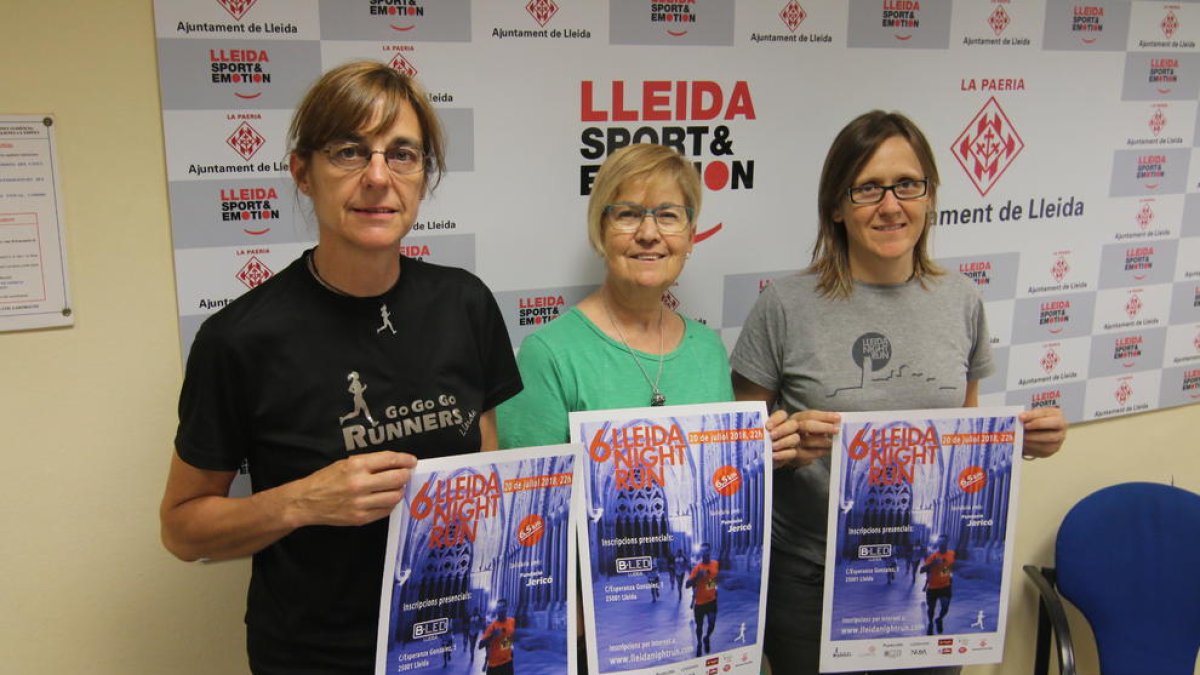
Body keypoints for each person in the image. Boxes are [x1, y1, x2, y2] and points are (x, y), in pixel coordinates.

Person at [159, 61, 523, 674]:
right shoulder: (240, 340)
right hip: (319, 655)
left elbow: (483, 465)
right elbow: (182, 529)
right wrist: (302, 501)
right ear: (303, 171)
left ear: (423, 175)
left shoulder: (465, 303)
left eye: (402, 154)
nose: (378, 177)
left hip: (455, 640)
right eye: (350, 152)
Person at [729, 110, 1068, 675]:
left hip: (926, 568)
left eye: (908, 184)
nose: (891, 205)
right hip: (811, 580)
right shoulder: (784, 306)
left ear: (929, 196)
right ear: (836, 206)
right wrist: (786, 447)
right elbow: (738, 452)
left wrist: (1019, 444)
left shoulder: (961, 299)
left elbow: (964, 434)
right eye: (867, 189)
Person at [496, 143, 800, 673]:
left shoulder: (706, 348)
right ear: (600, 229)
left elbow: (715, 489)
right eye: (629, 213)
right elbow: (531, 521)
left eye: (668, 215)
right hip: (603, 637)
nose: (649, 232)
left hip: (702, 630)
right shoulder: (549, 355)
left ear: (689, 234)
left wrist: (759, 460)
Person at [685, 542, 719, 657]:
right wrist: (698, 577)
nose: (705, 553)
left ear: (710, 551)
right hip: (699, 603)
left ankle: (706, 638)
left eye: (707, 550)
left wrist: (714, 588)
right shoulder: (697, 568)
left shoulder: (715, 564)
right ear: (701, 552)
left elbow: (713, 578)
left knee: (712, 623)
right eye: (703, 551)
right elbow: (687, 585)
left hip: (712, 601)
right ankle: (699, 643)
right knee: (699, 627)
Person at [920, 536, 956, 635]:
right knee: (931, 609)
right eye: (940, 543)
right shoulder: (933, 556)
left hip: (945, 586)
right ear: (938, 544)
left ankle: (939, 619)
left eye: (943, 543)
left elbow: (951, 566)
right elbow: (922, 570)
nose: (941, 545)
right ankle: (930, 623)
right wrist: (933, 564)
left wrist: (948, 573)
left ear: (947, 543)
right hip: (933, 587)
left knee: (945, 607)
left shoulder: (952, 554)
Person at [478, 599, 516, 675]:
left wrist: (509, 649)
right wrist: (492, 636)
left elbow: (510, 638)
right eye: (498, 607)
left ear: (506, 608)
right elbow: (480, 645)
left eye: (502, 607)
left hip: (507, 664)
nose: (500, 610)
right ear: (496, 610)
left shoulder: (512, 622)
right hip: (494, 666)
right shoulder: (492, 626)